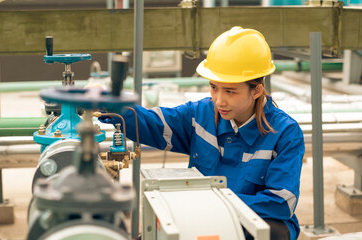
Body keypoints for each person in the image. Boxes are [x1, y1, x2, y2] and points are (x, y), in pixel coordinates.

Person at [100, 26, 304, 240]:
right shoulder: (200, 115)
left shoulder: (284, 133)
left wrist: (215, 203)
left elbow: (281, 202)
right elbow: (154, 124)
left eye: (230, 91)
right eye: (214, 87)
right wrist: (115, 109)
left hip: (254, 223)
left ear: (256, 90)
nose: (219, 100)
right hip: (203, 216)